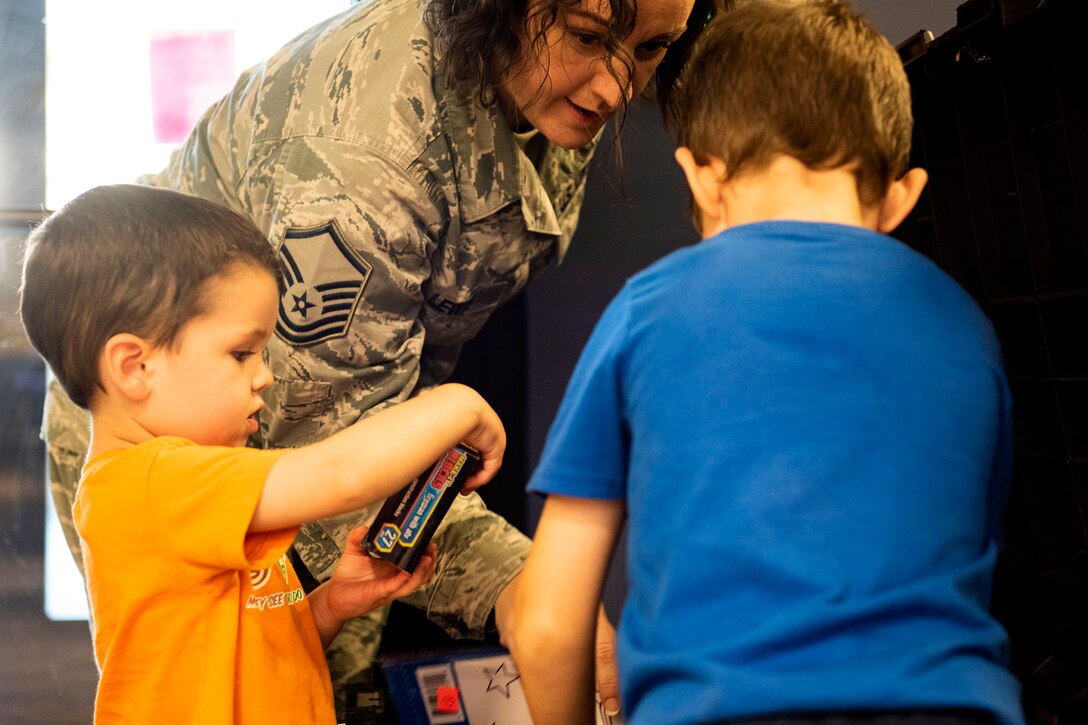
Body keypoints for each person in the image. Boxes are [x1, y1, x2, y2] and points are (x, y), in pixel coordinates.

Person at [42, 0, 733, 712]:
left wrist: (340, 602)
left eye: (651, 49)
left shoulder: (545, 80)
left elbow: (278, 622)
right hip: (203, 430)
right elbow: (331, 453)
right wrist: (521, 580)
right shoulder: (368, 160)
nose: (616, 89)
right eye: (588, 37)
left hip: (323, 430)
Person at [512, 1, 1025, 724]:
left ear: (701, 179)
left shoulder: (648, 312)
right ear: (903, 196)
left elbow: (546, 622)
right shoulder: (965, 326)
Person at [20, 184, 506, 724]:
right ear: (135, 367)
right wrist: (456, 405)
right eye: (241, 353)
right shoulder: (152, 482)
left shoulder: (185, 489)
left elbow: (253, 657)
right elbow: (341, 475)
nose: (264, 376)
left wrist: (328, 606)